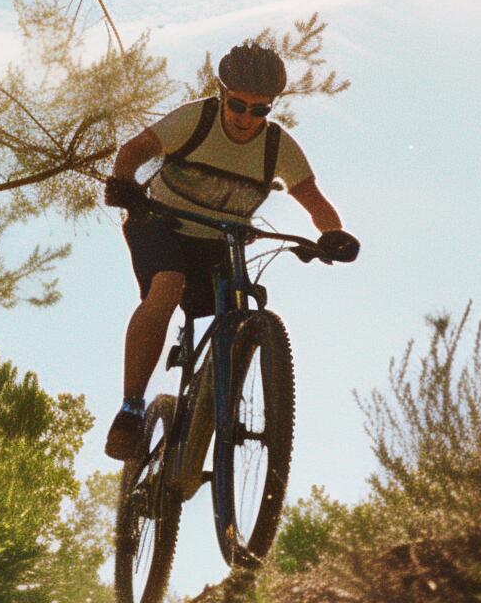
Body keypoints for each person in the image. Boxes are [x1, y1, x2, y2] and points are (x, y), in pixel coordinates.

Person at [100, 40, 358, 461]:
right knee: (167, 285)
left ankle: (214, 396)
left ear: (271, 107)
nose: (245, 118)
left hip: (221, 240)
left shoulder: (277, 147)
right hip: (161, 226)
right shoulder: (195, 119)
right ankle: (131, 409)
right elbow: (133, 152)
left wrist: (333, 234)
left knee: (241, 306)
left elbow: (313, 200)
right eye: (237, 105)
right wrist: (125, 184)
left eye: (259, 110)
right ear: (222, 94)